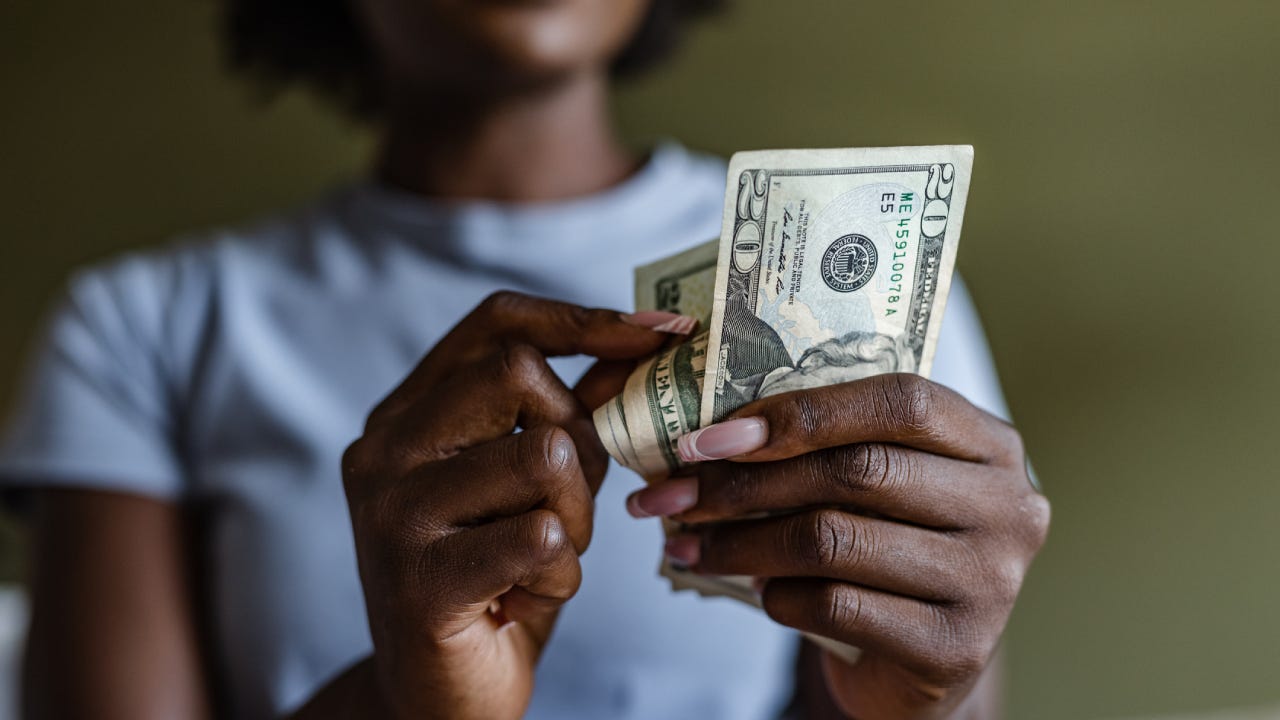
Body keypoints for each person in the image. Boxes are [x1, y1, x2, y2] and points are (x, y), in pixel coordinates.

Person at [0, 1, 1050, 718]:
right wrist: (401, 702)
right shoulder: (142, 328)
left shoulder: (867, 290)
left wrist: (918, 703)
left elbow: (905, 689)